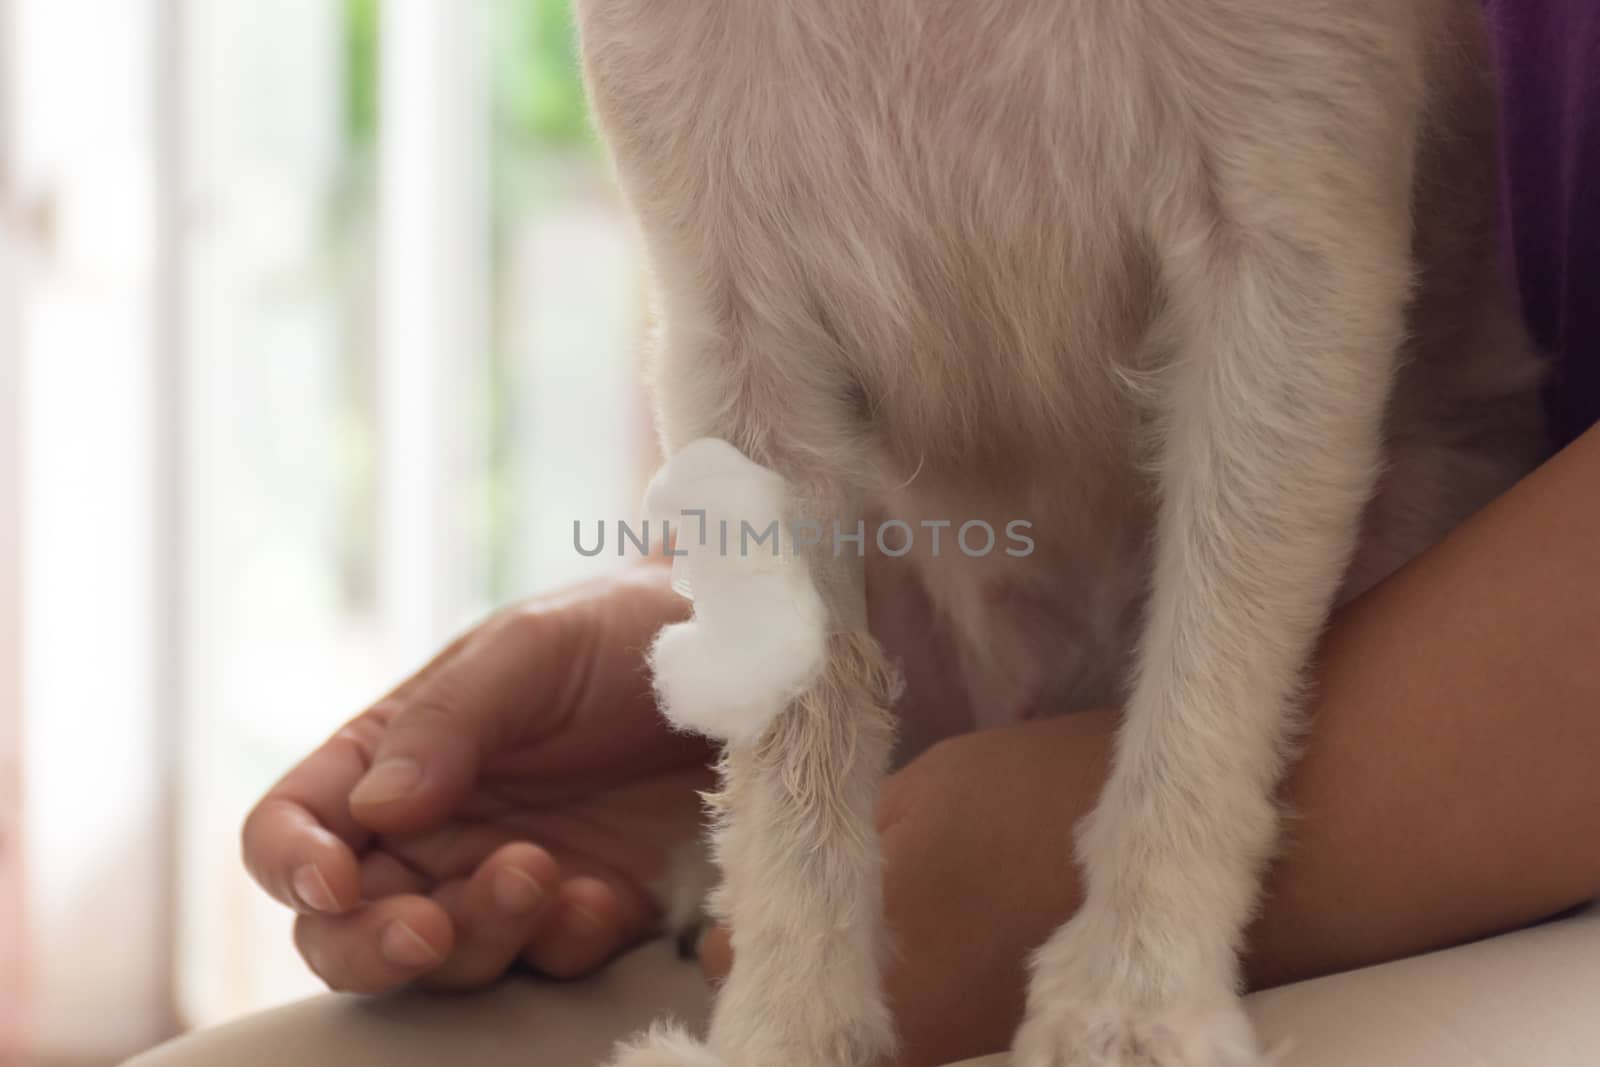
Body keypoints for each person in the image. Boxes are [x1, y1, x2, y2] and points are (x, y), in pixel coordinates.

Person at [131, 2, 1598, 1065]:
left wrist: (1152, 882)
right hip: (986, 680)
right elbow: (755, 372)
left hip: (1435, 722)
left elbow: (1307, 293)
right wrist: (721, 714)